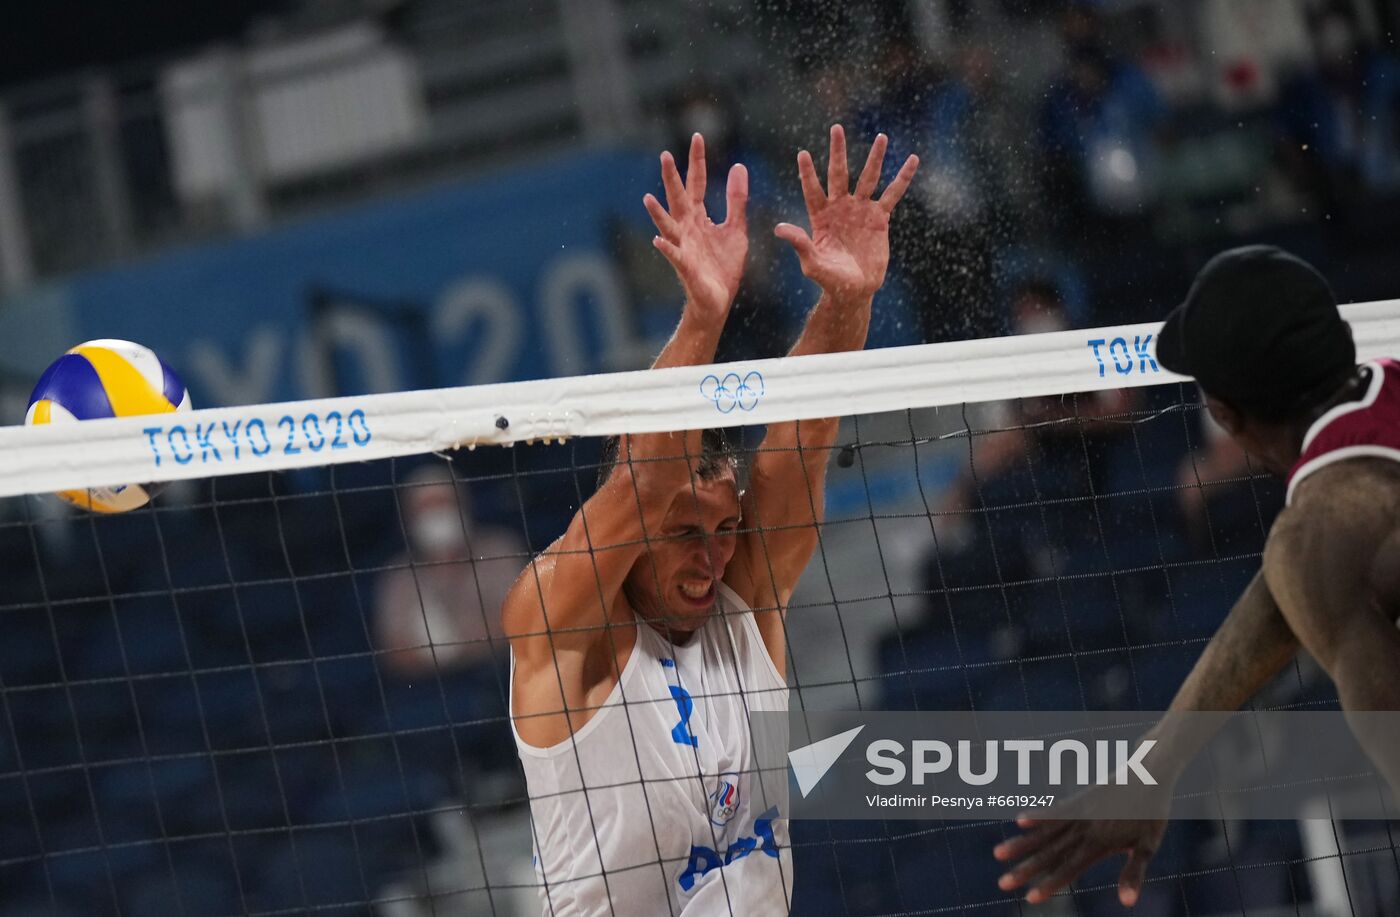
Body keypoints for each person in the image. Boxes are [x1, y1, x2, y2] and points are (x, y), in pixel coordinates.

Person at [503, 127, 917, 915]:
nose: (713, 558)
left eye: (724, 530)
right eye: (686, 534)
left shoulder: (745, 601)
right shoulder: (563, 627)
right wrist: (703, 317)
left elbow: (803, 438)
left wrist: (847, 300)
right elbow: (642, 481)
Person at [993, 245, 1400, 907]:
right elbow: (1287, 594)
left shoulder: (1319, 541)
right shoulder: (1378, 405)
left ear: (1226, 416)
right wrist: (1158, 762)